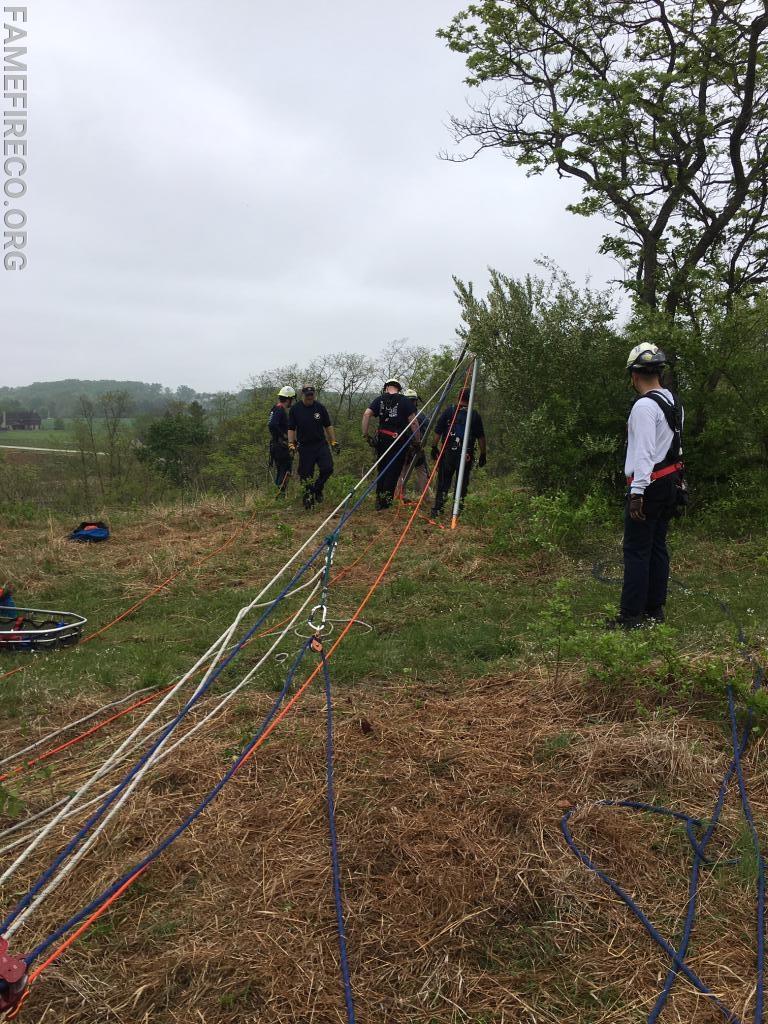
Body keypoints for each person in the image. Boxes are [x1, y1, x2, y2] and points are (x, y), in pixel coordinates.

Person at [608, 343, 685, 630]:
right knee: (656, 547)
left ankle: (630, 616)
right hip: (669, 483)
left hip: (649, 485)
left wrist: (637, 493)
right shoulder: (673, 402)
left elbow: (644, 453)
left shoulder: (644, 406)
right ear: (659, 373)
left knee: (637, 550)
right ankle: (655, 610)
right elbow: (673, 447)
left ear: (634, 375)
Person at [361, 378, 420, 510]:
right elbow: (414, 422)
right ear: (398, 388)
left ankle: (379, 500)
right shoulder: (404, 400)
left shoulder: (379, 399)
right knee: (393, 471)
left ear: (386, 387)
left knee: (382, 468)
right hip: (398, 440)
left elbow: (366, 415)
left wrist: (365, 435)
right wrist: (417, 440)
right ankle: (385, 503)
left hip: (382, 438)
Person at [430, 388, 487, 517]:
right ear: (470, 398)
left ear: (458, 397)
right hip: (466, 454)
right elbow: (481, 438)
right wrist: (483, 454)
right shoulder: (474, 415)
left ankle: (438, 509)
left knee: (444, 482)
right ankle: (457, 512)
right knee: (461, 483)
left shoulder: (449, 411)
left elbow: (437, 432)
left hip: (448, 452)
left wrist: (434, 447)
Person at [287, 385, 340, 509]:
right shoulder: (295, 409)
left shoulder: (320, 407)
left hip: (320, 444)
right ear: (303, 395)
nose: (310, 397)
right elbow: (291, 428)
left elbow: (328, 425)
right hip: (305, 447)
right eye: (307, 395)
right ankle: (307, 499)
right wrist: (291, 443)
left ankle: (317, 488)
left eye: (312, 395)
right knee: (306, 475)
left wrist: (333, 441)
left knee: (328, 468)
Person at [395, 388, 430, 500]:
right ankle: (425, 497)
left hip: (412, 448)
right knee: (417, 473)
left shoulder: (416, 415)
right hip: (411, 448)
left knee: (403, 473)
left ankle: (399, 495)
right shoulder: (421, 415)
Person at [267, 386, 296, 494]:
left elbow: (271, 424)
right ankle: (279, 497)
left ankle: (278, 496)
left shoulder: (275, 408)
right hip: (281, 447)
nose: (291, 402)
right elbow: (273, 424)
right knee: (285, 472)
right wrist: (284, 436)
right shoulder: (280, 410)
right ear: (288, 399)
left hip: (276, 446)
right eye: (291, 399)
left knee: (281, 472)